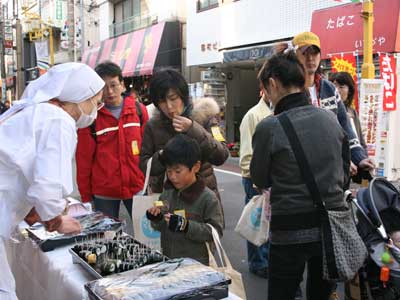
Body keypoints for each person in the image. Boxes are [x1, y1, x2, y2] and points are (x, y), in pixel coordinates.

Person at [0, 62, 105, 300]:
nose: (96, 109)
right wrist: (57, 219)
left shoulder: (34, 112)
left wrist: (36, 211)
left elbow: (20, 169)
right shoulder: (57, 119)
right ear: (78, 97)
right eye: (94, 101)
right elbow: (48, 186)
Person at [250, 51, 350, 300]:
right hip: (331, 227)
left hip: (290, 230)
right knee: (321, 294)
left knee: (282, 294)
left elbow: (260, 180)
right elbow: (345, 174)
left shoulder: (269, 127)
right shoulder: (331, 120)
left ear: (272, 84)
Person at [139, 69, 229, 220]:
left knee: (203, 239)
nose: (169, 106)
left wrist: (193, 129)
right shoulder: (153, 126)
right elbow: (144, 166)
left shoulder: (205, 117)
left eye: (173, 98)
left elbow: (221, 155)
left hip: (202, 199)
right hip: (167, 201)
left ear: (183, 95)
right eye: (162, 101)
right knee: (170, 240)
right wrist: (163, 154)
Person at [291, 31, 374, 177]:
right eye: (305, 53)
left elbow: (344, 125)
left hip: (331, 175)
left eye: (315, 53)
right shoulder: (290, 90)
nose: (310, 58)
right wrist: (337, 161)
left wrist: (359, 157)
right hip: (300, 172)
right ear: (295, 55)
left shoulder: (329, 89)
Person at [76, 61, 149, 219]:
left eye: (114, 85)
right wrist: (86, 198)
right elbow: (83, 161)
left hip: (137, 187)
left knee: (148, 236)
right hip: (104, 192)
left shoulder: (139, 111)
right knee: (108, 239)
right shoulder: (91, 118)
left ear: (122, 85)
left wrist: (151, 183)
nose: (109, 91)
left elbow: (148, 150)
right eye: (103, 87)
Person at [146, 134, 224, 265]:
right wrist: (157, 218)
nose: (172, 177)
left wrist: (186, 226)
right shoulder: (167, 194)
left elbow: (215, 232)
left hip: (197, 265)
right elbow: (162, 227)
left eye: (178, 171)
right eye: (169, 171)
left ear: (196, 167)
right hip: (169, 259)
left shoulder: (207, 198)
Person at [239, 88, 272, 278]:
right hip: (255, 178)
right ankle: (258, 262)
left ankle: (265, 259)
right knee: (256, 220)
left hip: (270, 179)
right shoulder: (253, 116)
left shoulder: (275, 113)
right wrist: (256, 179)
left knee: (267, 222)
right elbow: (246, 156)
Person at [330, 71, 366, 150]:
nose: (337, 90)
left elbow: (360, 139)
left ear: (349, 91)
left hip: (356, 157)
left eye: (341, 87)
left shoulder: (352, 112)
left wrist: (364, 156)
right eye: (334, 86)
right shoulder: (326, 112)